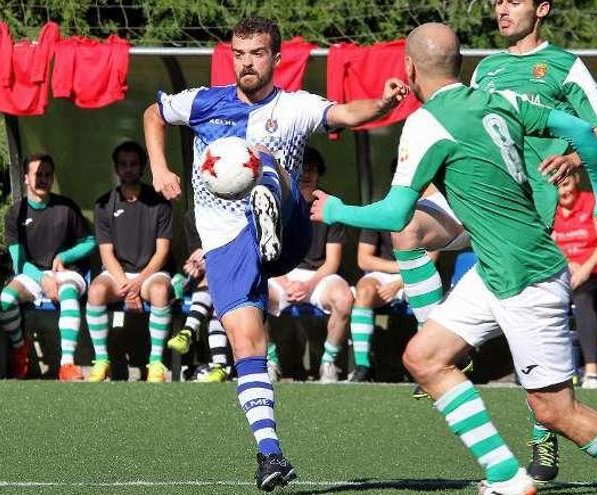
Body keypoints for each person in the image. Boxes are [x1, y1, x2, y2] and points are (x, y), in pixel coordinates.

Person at [312, 23, 597, 495]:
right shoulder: (501, 99)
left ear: (409, 68)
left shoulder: (427, 122)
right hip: (496, 269)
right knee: (425, 357)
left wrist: (334, 209)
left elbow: (394, 213)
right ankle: (506, 476)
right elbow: (579, 128)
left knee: (556, 412)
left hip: (526, 277)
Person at [142, 16, 408, 491]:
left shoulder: (296, 107)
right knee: (247, 343)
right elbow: (153, 114)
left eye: (257, 54)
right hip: (227, 243)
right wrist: (160, 168)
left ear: (275, 58)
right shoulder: (204, 101)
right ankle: (270, 455)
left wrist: (385, 103)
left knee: (264, 159)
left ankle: (268, 193)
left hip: (288, 231)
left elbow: (347, 114)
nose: (246, 63)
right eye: (239, 54)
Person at [388, 0, 597, 481]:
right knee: (405, 225)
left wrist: (574, 162)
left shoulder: (565, 66)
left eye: (513, 0)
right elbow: (459, 129)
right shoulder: (487, 68)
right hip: (478, 199)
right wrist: (432, 185)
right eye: (497, 1)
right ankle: (442, 342)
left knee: (532, 340)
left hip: (528, 212)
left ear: (542, 9)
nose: (501, 9)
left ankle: (544, 435)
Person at [0, 154, 96, 381]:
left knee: (68, 295)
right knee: (5, 300)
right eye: (37, 174)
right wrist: (42, 278)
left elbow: (91, 242)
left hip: (67, 272)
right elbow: (18, 262)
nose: (43, 179)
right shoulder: (15, 213)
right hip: (32, 273)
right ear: (26, 178)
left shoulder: (66, 207)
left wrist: (64, 255)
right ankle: (20, 350)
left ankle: (67, 365)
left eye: (47, 175)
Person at [85, 141, 174, 383]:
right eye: (123, 164)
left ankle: (155, 364)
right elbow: (106, 253)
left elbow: (162, 251)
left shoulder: (160, 202)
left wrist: (138, 284)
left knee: (159, 291)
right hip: (118, 276)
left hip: (150, 274)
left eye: (133, 164)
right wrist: (126, 285)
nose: (128, 169)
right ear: (116, 168)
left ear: (143, 167)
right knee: (95, 291)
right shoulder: (104, 204)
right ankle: (102, 361)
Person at [266, 147, 352, 383]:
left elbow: (332, 261)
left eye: (311, 169)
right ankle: (270, 360)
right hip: (281, 274)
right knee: (252, 294)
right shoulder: (277, 202)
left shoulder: (330, 204)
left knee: (344, 300)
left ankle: (328, 363)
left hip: (319, 276)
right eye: (301, 168)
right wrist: (285, 281)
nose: (305, 174)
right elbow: (267, 253)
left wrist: (308, 285)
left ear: (319, 174)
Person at [350, 223, 438, 383]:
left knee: (424, 297)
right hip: (386, 273)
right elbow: (364, 260)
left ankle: (426, 368)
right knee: (364, 291)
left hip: (419, 274)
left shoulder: (429, 213)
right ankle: (362, 366)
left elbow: (431, 259)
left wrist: (399, 283)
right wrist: (401, 268)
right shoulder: (379, 213)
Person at [551, 172, 597, 389]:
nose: (563, 191)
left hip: (595, 275)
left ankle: (591, 371)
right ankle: (548, 370)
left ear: (577, 179)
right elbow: (545, 245)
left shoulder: (593, 203)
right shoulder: (548, 209)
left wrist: (584, 269)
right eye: (557, 186)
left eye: (566, 184)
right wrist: (566, 263)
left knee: (583, 299)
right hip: (562, 273)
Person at [166, 209, 232, 383]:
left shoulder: (238, 209)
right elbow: (196, 253)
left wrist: (210, 258)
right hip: (212, 280)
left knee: (215, 281)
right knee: (213, 286)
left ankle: (188, 331)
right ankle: (219, 366)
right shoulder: (193, 216)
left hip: (240, 272)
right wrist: (197, 264)